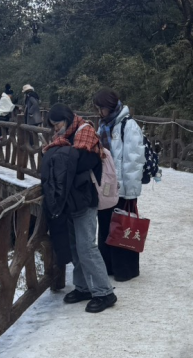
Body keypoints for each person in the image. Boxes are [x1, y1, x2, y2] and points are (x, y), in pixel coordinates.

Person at [40, 103, 117, 313]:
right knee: (75, 246)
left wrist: (62, 154)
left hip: (86, 198)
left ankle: (104, 292)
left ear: (67, 119)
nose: (56, 130)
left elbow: (83, 163)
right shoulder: (66, 138)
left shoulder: (86, 133)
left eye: (58, 125)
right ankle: (83, 287)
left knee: (87, 247)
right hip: (70, 200)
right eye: (53, 126)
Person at [93, 88, 145, 281]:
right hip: (107, 187)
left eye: (101, 108)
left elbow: (134, 161)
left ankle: (125, 270)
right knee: (106, 226)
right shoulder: (104, 125)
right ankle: (108, 267)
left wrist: (129, 193)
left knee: (122, 227)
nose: (99, 112)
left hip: (123, 189)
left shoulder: (128, 126)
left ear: (109, 106)